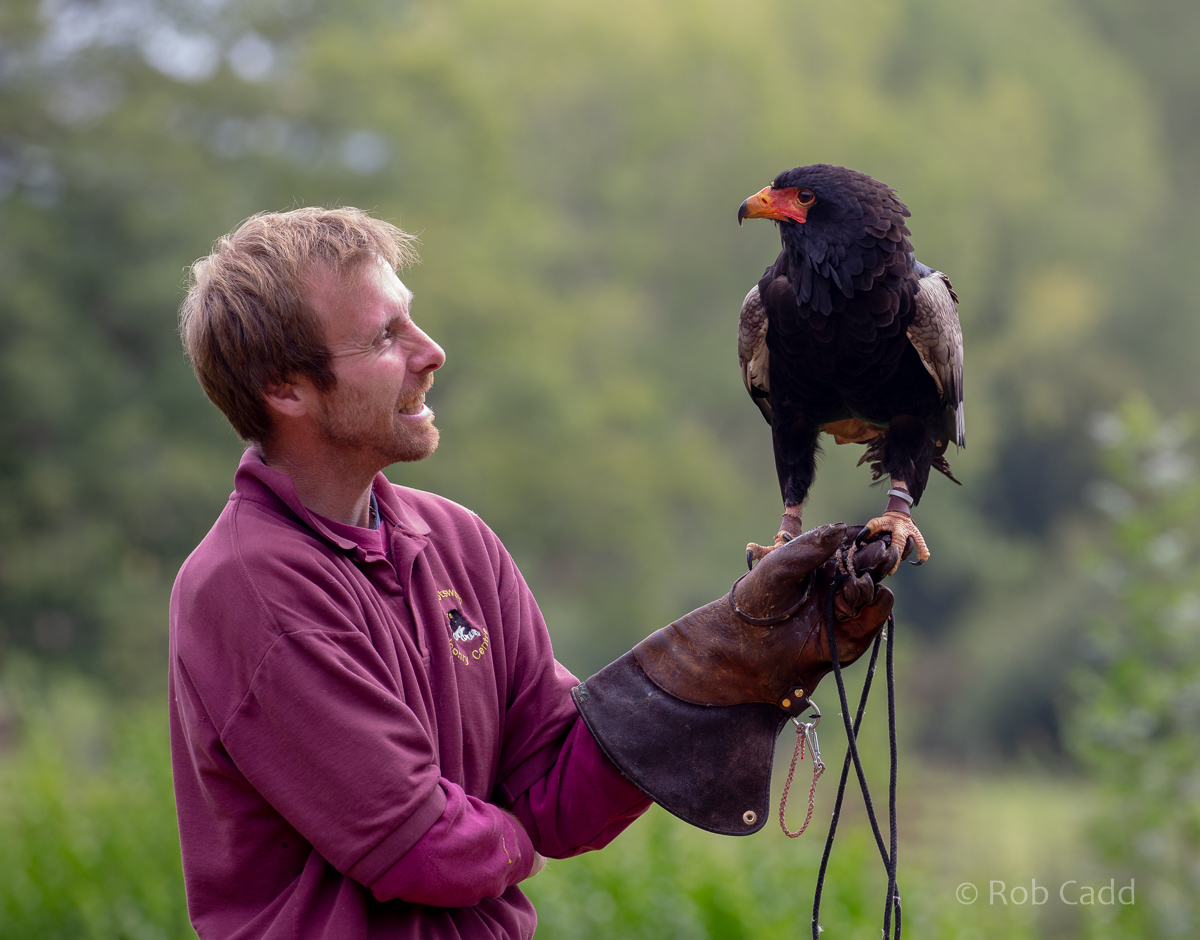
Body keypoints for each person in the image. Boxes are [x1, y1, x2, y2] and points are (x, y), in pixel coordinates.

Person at [169, 207, 894, 940]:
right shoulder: (249, 588)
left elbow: (557, 790)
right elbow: (420, 848)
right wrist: (518, 841)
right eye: (386, 336)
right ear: (285, 387)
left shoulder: (456, 541)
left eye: (411, 320)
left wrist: (734, 652)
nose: (432, 351)